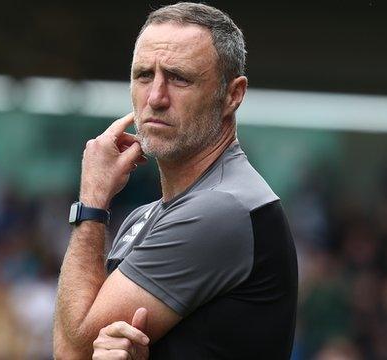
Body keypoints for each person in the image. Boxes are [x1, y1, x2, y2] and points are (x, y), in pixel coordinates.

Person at [53, 2, 298, 359]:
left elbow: (71, 349)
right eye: (143, 76)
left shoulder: (221, 207)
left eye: (179, 77)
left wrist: (92, 202)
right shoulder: (143, 217)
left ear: (233, 95)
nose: (156, 98)